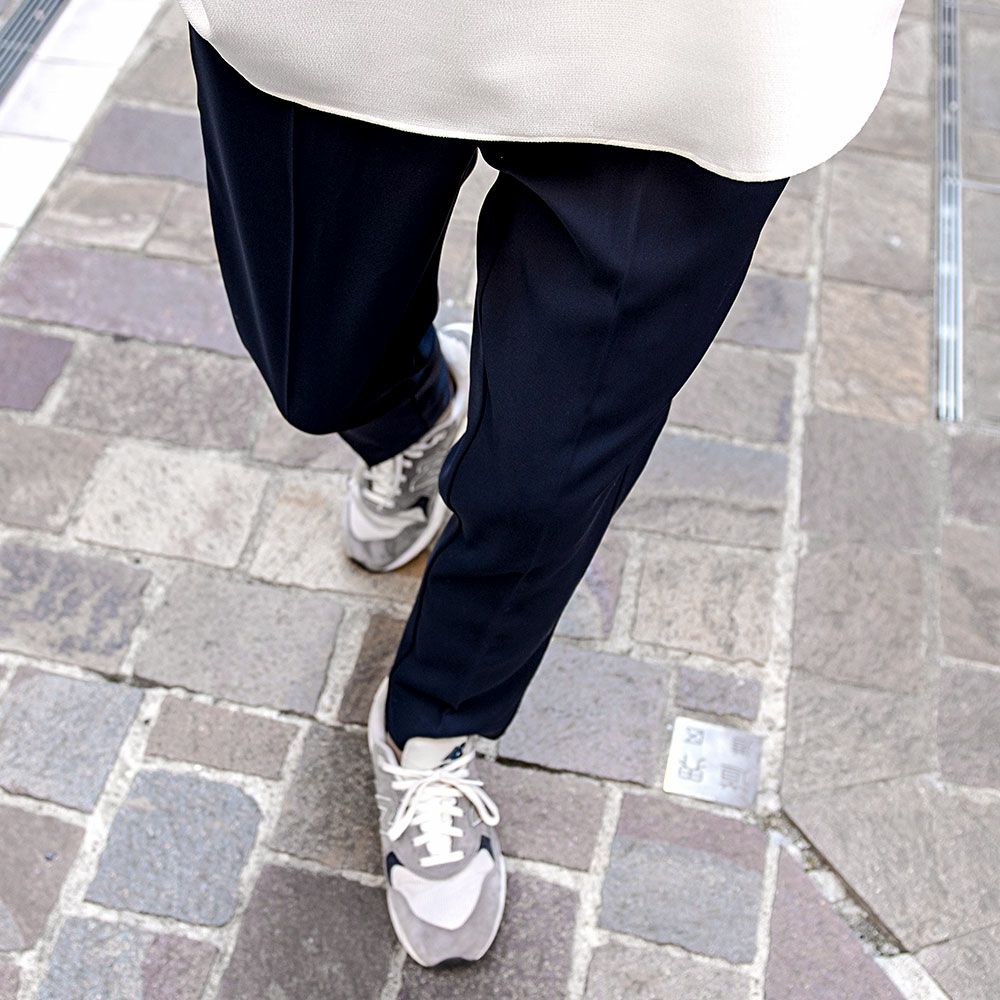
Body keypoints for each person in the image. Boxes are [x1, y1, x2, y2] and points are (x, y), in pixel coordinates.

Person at [178, 0, 906, 968]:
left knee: (549, 463)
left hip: (697, 36)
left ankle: (438, 721)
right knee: (317, 363)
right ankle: (409, 415)